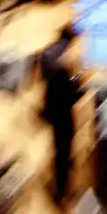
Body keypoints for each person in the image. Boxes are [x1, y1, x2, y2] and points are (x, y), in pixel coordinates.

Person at [40, 37, 83, 203]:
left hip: (55, 118)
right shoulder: (64, 74)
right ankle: (61, 191)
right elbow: (74, 95)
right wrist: (79, 83)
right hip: (64, 120)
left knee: (59, 152)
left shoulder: (52, 70)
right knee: (64, 154)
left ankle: (60, 184)